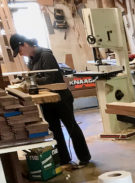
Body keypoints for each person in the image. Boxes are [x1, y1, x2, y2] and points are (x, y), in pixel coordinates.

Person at [10, 34, 91, 168]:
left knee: (71, 126)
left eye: (19, 51)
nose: (20, 54)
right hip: (46, 99)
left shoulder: (46, 55)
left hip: (60, 97)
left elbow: (49, 78)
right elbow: (35, 77)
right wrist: (27, 81)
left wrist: (31, 81)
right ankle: (64, 159)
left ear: (24, 44)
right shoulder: (31, 59)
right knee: (54, 130)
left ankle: (84, 157)